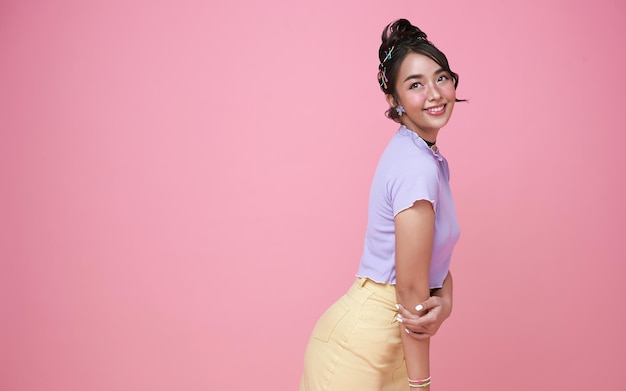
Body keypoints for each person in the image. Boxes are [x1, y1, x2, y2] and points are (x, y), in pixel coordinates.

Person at [300, 18, 463, 391]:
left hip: (390, 348)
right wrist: (420, 383)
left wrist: (447, 300)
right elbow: (409, 292)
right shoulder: (416, 166)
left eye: (441, 77)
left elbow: (434, 264)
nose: (435, 93)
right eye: (415, 85)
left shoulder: (424, 156)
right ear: (395, 101)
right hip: (359, 352)